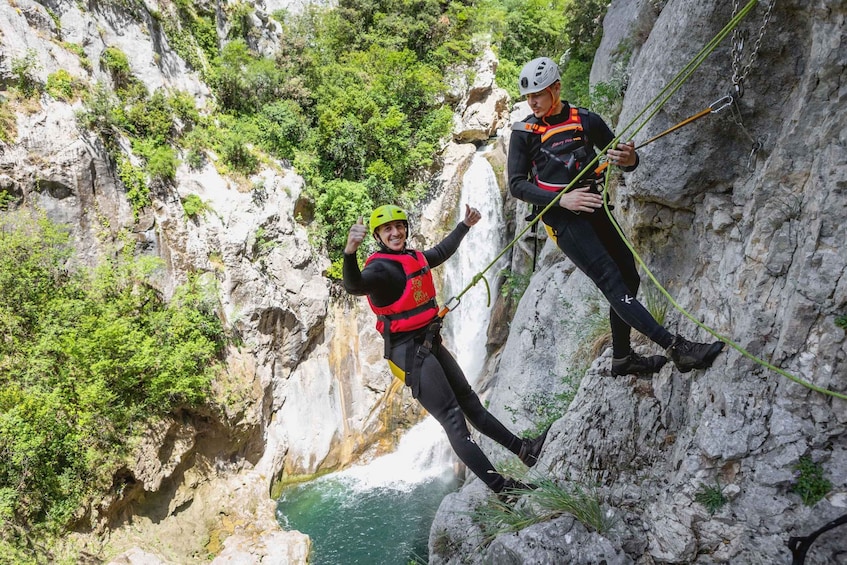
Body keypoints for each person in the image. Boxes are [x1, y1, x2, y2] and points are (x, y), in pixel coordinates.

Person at [507, 56, 725, 377]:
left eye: (538, 94)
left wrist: (629, 157)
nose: (532, 102)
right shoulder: (524, 132)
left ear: (556, 88)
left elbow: (623, 160)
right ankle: (676, 348)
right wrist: (563, 199)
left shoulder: (585, 121)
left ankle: (623, 358)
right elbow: (517, 185)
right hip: (563, 220)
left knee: (629, 276)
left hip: (595, 207)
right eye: (528, 96)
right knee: (611, 280)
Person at [343, 204, 549, 494]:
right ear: (377, 236)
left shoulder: (411, 257)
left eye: (399, 226)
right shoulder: (379, 268)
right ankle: (503, 490)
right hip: (408, 354)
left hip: (429, 342)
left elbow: (439, 253)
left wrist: (465, 225)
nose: (396, 232)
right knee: (454, 419)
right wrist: (350, 252)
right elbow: (354, 286)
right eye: (387, 229)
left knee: (471, 404)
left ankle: (525, 450)